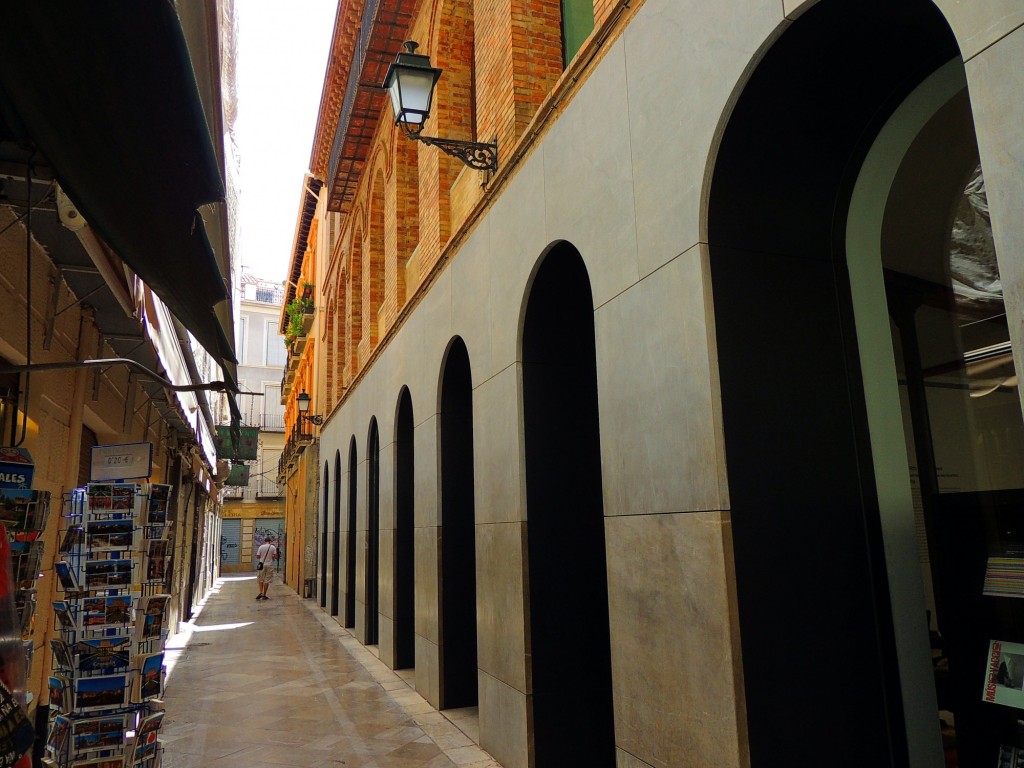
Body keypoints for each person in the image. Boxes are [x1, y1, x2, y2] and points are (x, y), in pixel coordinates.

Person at [254, 535, 278, 600]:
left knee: (260, 579)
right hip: (269, 565)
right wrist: (272, 556)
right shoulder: (273, 547)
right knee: (267, 580)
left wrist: (262, 556)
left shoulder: (261, 547)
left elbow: (258, 556)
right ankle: (264, 594)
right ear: (270, 541)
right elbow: (276, 557)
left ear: (265, 541)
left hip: (262, 565)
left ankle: (260, 592)